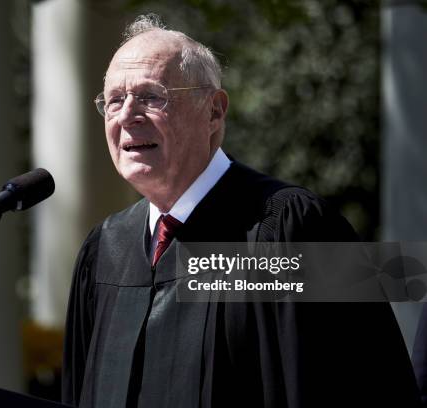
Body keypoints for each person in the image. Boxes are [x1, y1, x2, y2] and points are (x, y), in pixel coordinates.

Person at [62, 14, 419, 407]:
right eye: (114, 101)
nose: (127, 115)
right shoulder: (105, 251)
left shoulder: (291, 228)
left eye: (151, 96)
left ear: (213, 111)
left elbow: (375, 387)